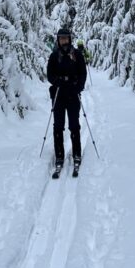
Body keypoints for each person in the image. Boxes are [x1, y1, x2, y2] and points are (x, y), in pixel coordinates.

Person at [47, 27, 87, 178]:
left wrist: (78, 87)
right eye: (61, 38)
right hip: (58, 94)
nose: (64, 41)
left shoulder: (77, 55)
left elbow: (83, 73)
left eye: (66, 38)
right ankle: (59, 156)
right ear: (58, 40)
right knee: (58, 126)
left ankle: (76, 153)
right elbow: (49, 75)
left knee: (74, 125)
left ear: (70, 39)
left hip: (73, 94)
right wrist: (58, 81)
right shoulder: (54, 56)